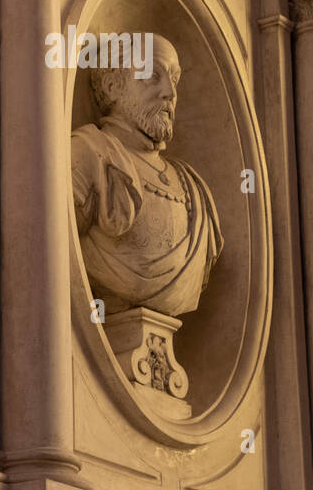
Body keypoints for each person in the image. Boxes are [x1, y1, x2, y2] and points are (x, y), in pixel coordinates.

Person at [71, 35, 222, 317]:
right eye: (152, 76)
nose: (170, 93)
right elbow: (54, 251)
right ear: (113, 86)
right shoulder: (87, 155)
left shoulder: (191, 186)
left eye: (174, 80)